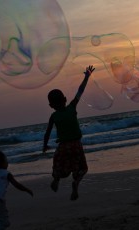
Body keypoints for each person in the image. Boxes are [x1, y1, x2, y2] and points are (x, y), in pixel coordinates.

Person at [43, 65, 95, 201]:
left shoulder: (53, 116)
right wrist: (87, 76)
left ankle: (56, 180)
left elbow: (47, 133)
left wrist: (44, 146)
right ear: (65, 99)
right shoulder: (72, 107)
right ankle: (76, 184)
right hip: (76, 145)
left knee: (59, 167)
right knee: (81, 167)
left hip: (63, 147)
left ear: (51, 105)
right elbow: (80, 91)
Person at [0, 151, 33, 230]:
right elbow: (16, 184)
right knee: (5, 222)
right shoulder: (6, 173)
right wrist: (27, 190)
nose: (7, 162)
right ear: (2, 163)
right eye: (6, 160)